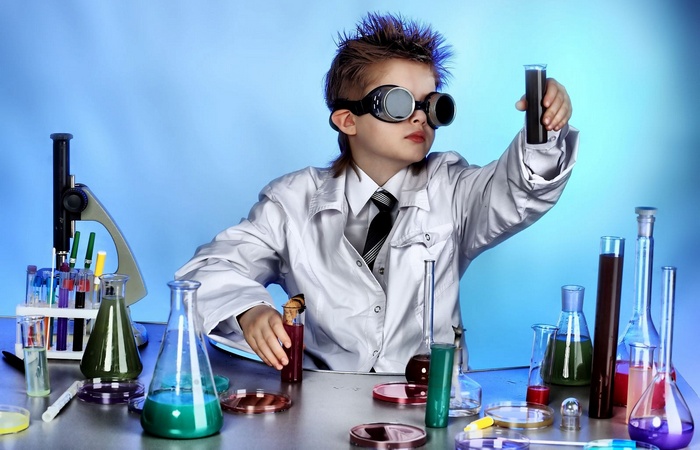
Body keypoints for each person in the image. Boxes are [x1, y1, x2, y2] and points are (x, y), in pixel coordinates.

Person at [175, 12, 579, 373]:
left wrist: (542, 128)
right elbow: (206, 271)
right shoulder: (293, 201)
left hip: (425, 404)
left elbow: (520, 192)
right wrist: (248, 309)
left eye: (432, 105)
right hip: (319, 402)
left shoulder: (453, 190)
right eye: (397, 103)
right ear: (347, 120)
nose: (420, 117)